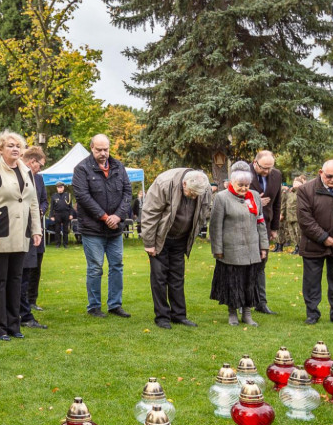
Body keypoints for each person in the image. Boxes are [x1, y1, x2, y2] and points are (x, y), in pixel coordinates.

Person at [0, 130, 42, 340]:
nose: (15, 149)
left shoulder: (26, 171)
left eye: (18, 146)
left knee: (16, 279)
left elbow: (33, 201)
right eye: (10, 145)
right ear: (1, 149)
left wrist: (36, 229)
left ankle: (14, 325)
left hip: (20, 234)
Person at [140, 168, 212, 328]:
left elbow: (203, 212)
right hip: (161, 238)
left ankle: (179, 315)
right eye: (191, 193)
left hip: (181, 238)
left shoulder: (203, 188)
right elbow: (150, 213)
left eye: (196, 195)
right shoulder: (164, 183)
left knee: (177, 277)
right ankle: (162, 317)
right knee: (159, 278)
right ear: (184, 183)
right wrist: (149, 242)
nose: (193, 197)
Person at [72, 134, 131, 318]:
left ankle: (115, 305)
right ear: (91, 148)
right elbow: (83, 197)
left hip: (115, 229)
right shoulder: (81, 169)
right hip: (92, 229)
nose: (103, 153)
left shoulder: (118, 166)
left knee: (117, 266)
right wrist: (105, 217)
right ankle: (94, 306)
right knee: (96, 267)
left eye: (106, 149)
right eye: (99, 150)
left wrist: (118, 216)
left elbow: (127, 192)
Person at [209, 162, 267, 326]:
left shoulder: (255, 196)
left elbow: (261, 222)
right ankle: (232, 313)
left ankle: (247, 314)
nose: (244, 188)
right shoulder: (222, 198)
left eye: (247, 185)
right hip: (231, 250)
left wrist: (263, 247)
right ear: (232, 183)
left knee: (250, 282)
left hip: (252, 249)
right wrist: (217, 250)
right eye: (240, 185)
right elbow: (215, 226)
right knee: (233, 283)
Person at [297, 161, 333, 326]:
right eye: (329, 176)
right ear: (320, 172)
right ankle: (312, 313)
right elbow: (305, 219)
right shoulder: (305, 190)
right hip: (314, 243)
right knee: (311, 282)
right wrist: (324, 237)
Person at [248, 150, 282, 314]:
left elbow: (277, 202)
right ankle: (243, 302)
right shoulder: (242, 173)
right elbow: (232, 198)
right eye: (264, 168)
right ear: (255, 163)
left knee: (261, 264)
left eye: (270, 168)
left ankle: (261, 302)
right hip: (245, 225)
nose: (267, 171)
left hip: (265, 227)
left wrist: (274, 227)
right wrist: (255, 201)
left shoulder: (276, 175)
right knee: (245, 265)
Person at [20, 147, 49, 328]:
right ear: (32, 161)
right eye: (40, 165)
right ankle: (23, 312)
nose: (40, 168)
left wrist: (40, 210)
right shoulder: (20, 175)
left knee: (35, 266)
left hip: (37, 230)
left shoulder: (38, 178)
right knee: (22, 271)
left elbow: (44, 200)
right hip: (22, 230)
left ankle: (31, 301)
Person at [280, 175, 304, 255]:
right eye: (294, 182)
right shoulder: (290, 192)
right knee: (292, 233)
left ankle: (301, 248)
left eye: (297, 182)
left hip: (297, 216)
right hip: (289, 216)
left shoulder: (302, 192)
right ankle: (296, 247)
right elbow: (284, 202)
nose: (295, 184)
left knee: (298, 233)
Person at [49, 182, 75, 247]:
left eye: (61, 187)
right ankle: (57, 244)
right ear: (56, 188)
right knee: (57, 230)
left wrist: (71, 214)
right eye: (58, 187)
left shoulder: (68, 195)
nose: (60, 189)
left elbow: (70, 207)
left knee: (65, 230)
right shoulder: (54, 196)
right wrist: (51, 215)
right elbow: (52, 207)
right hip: (57, 214)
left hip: (66, 214)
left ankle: (65, 244)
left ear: (63, 188)